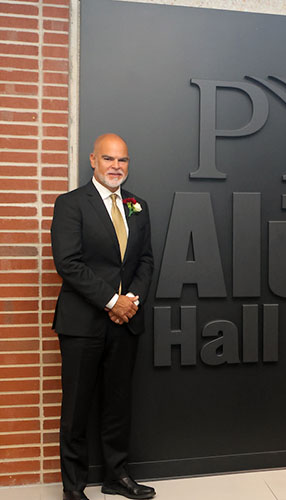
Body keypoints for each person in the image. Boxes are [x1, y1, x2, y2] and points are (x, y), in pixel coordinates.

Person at [51, 134, 156, 500]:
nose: (116, 166)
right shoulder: (70, 204)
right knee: (76, 408)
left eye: (122, 160)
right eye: (109, 159)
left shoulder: (137, 205)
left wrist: (130, 301)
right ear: (93, 160)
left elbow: (144, 261)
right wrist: (113, 301)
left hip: (125, 323)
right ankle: (73, 488)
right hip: (82, 324)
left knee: (117, 404)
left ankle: (116, 476)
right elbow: (68, 262)